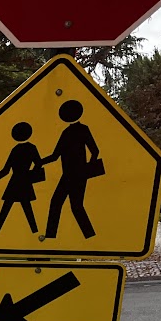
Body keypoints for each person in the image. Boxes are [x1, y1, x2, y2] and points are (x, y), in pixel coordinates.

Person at [41, 100, 100, 239]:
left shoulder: (78, 130)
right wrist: (40, 162)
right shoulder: (67, 132)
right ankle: (52, 236)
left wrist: (88, 168)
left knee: (72, 205)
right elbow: (56, 155)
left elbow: (95, 151)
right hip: (70, 175)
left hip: (76, 175)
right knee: (66, 204)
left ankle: (88, 236)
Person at [0, 122, 43, 234]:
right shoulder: (31, 148)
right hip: (24, 182)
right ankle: (34, 232)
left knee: (9, 207)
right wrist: (31, 175)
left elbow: (6, 170)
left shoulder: (16, 149)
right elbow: (38, 163)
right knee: (25, 207)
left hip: (15, 182)